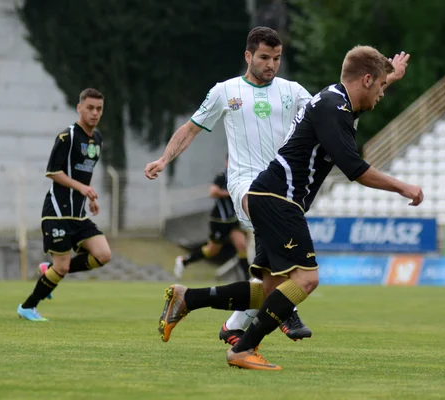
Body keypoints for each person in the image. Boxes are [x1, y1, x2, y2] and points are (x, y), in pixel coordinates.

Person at [155, 45, 423, 370]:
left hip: (269, 196)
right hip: (278, 199)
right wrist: (403, 186)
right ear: (366, 79)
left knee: (271, 289)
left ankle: (188, 299)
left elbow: (361, 100)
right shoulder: (332, 108)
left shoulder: (336, 102)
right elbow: (354, 167)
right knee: (307, 279)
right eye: (380, 86)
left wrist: (390, 76)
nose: (382, 93)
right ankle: (243, 347)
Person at [145, 27, 314, 344]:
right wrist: (164, 159)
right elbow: (191, 128)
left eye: (276, 58)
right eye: (264, 57)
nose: (271, 64)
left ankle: (208, 311)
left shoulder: (293, 91)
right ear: (249, 56)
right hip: (246, 186)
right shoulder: (226, 91)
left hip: (281, 186)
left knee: (267, 285)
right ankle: (285, 313)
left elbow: (327, 111)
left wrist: (380, 79)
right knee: (291, 270)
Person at [17, 88, 112, 321]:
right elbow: (52, 172)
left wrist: (89, 198)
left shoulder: (97, 140)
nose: (95, 113)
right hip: (57, 212)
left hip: (78, 214)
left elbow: (83, 175)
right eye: (90, 108)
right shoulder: (66, 137)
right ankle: (27, 307)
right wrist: (80, 188)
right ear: (79, 107)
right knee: (62, 267)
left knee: (103, 254)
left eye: (99, 109)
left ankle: (48, 267)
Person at [174, 157, 251, 281]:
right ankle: (184, 261)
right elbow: (213, 192)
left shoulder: (241, 177)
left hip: (232, 220)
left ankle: (248, 279)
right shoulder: (222, 176)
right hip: (220, 220)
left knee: (241, 246)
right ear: (227, 162)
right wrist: (230, 193)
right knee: (212, 250)